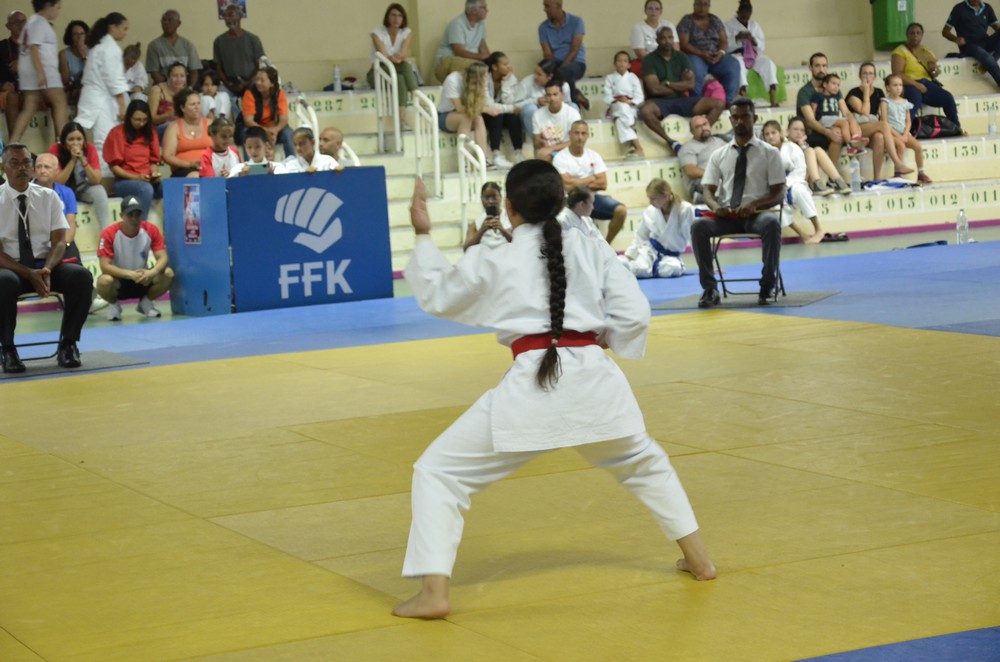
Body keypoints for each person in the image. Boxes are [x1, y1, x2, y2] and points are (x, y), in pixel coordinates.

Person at [394, 161, 716, 619]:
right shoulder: (590, 245)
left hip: (531, 388)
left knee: (438, 472)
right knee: (645, 464)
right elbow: (635, 313)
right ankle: (700, 561)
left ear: (509, 207)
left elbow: (438, 293)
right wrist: (608, 337)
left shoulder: (496, 255)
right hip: (596, 382)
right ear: (560, 202)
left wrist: (423, 234)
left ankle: (434, 593)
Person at [0, 144, 93, 372]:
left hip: (45, 267)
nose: (22, 168)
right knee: (3, 282)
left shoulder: (49, 196)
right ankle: (8, 350)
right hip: (12, 268)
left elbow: (59, 242)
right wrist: (28, 273)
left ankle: (68, 344)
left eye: (26, 163)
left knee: (81, 277)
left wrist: (47, 270)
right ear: (3, 168)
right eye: (15, 163)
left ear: (32, 168)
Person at [691, 97, 785, 308]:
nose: (740, 121)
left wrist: (755, 205)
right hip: (728, 216)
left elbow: (779, 194)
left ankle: (768, 285)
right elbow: (708, 191)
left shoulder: (770, 153)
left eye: (745, 116)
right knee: (698, 226)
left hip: (756, 215)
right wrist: (716, 207)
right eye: (735, 117)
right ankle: (710, 288)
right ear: (730, 120)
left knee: (771, 223)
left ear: (755, 118)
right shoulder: (719, 154)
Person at [639, 27, 724, 155]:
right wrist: (681, 84)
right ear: (657, 40)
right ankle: (671, 142)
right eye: (663, 38)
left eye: (670, 37)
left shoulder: (682, 57)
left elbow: (691, 85)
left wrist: (667, 83)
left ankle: (698, 137)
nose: (667, 41)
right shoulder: (649, 59)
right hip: (660, 102)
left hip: (682, 99)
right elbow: (654, 89)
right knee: (646, 111)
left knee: (719, 104)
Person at [96, 195, 173, 321]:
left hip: (143, 278)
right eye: (130, 215)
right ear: (121, 215)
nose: (134, 219)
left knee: (168, 273)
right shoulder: (109, 233)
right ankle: (114, 305)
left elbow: (162, 257)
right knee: (104, 281)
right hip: (119, 280)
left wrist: (152, 272)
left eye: (137, 215)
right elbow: (104, 266)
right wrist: (130, 274)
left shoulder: (151, 230)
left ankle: (146, 303)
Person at [553, 120, 628, 243]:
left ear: (588, 135)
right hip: (569, 200)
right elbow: (566, 186)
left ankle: (606, 245)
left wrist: (574, 181)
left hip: (591, 199)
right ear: (570, 134)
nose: (580, 137)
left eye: (583, 133)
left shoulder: (594, 156)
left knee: (621, 211)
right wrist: (591, 178)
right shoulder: (560, 158)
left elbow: (603, 184)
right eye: (577, 133)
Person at [75, 12, 131, 176]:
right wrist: (122, 107)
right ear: (113, 27)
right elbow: (114, 80)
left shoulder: (99, 46)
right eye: (124, 29)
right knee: (105, 142)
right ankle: (102, 178)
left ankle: (90, 175)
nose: (125, 33)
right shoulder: (110, 49)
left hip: (94, 99)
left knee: (99, 141)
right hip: (101, 102)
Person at [9, 0, 68, 144]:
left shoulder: (31, 22)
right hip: (43, 69)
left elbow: (24, 46)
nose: (59, 11)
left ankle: (13, 143)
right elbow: (34, 48)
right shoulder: (40, 23)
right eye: (57, 7)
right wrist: (41, 72)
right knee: (60, 102)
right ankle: (63, 144)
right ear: (48, 5)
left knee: (29, 107)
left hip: (28, 70)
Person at [761, 120, 824, 244]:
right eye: (767, 134)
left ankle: (818, 229)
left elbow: (800, 170)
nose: (771, 136)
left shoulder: (792, 148)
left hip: (794, 182)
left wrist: (785, 184)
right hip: (775, 187)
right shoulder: (763, 153)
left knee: (800, 191)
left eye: (773, 132)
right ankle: (802, 234)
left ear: (780, 133)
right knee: (773, 203)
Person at [620, 178, 694, 278]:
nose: (650, 202)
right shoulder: (650, 211)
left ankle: (648, 270)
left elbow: (693, 237)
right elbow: (640, 236)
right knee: (638, 267)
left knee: (673, 268)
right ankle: (627, 265)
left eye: (653, 198)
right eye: (649, 198)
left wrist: (705, 265)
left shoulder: (685, 210)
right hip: (649, 252)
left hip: (670, 256)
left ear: (665, 196)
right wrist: (628, 256)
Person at [845, 62, 907, 181]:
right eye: (865, 74)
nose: (868, 77)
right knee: (883, 125)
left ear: (874, 76)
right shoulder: (853, 93)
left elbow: (884, 114)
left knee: (879, 137)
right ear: (860, 76)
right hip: (858, 128)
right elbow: (865, 112)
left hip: (875, 128)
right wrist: (866, 91)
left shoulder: (879, 92)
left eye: (870, 74)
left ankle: (877, 178)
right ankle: (897, 162)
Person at [892, 23, 961, 129]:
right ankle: (905, 130)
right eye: (912, 33)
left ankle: (956, 128)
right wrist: (917, 85)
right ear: (907, 35)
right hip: (908, 84)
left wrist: (934, 69)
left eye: (918, 33)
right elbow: (897, 74)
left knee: (948, 98)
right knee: (915, 97)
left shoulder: (926, 50)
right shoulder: (900, 51)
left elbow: (935, 73)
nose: (915, 36)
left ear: (922, 35)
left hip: (926, 83)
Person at [103, 99, 162, 216]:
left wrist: (155, 174)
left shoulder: (150, 132)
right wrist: (136, 178)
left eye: (145, 120)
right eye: (137, 120)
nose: (141, 123)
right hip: (124, 181)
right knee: (146, 189)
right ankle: (140, 224)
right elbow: (114, 167)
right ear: (129, 118)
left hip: (147, 179)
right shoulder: (117, 133)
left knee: (169, 187)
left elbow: (153, 162)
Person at [48, 122, 111, 229]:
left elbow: (96, 180)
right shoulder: (55, 149)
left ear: (84, 140)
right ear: (64, 141)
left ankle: (105, 232)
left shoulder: (90, 148)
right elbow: (58, 182)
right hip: (63, 191)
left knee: (99, 190)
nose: (75, 143)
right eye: (71, 139)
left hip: (83, 188)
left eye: (79, 139)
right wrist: (72, 160)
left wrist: (83, 160)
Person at [677, 0, 740, 105]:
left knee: (733, 64)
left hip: (715, 56)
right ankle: (697, 103)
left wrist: (721, 53)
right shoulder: (687, 21)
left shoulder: (715, 20)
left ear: (709, 6)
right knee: (695, 69)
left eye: (705, 4)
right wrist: (701, 54)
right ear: (694, 5)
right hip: (695, 55)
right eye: (699, 4)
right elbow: (684, 44)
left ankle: (728, 102)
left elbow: (724, 41)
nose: (702, 7)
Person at [437, 61, 494, 165]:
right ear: (477, 77)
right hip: (445, 116)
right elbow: (459, 108)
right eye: (485, 76)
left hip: (468, 114)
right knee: (466, 117)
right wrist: (485, 109)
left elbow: (485, 103)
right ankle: (463, 159)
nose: (487, 78)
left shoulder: (481, 83)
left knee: (478, 118)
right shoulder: (453, 80)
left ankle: (483, 159)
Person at [369, 3, 419, 120]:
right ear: (387, 17)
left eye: (399, 16)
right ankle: (416, 95)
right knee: (405, 66)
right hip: (378, 71)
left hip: (395, 69)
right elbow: (384, 56)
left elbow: (404, 53)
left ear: (403, 18)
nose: (396, 19)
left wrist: (398, 56)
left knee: (400, 79)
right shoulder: (377, 32)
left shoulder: (406, 32)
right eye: (393, 15)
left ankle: (401, 119)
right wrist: (395, 57)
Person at [723, 2, 778, 107]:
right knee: (737, 65)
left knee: (768, 63)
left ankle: (773, 97)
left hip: (753, 55)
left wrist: (753, 41)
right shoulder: (728, 25)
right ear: (738, 12)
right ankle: (743, 96)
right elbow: (724, 46)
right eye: (742, 17)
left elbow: (762, 46)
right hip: (737, 54)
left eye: (747, 17)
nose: (745, 20)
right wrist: (737, 38)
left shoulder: (754, 25)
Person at [538, 0, 589, 109]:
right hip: (555, 63)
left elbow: (574, 50)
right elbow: (547, 54)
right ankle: (575, 94)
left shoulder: (576, 22)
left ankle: (574, 109)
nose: (544, 10)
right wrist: (551, 69)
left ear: (558, 6)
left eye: (547, 6)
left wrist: (559, 70)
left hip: (576, 63)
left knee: (565, 73)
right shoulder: (543, 27)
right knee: (541, 74)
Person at [884, 74, 932, 185]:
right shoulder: (885, 102)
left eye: (900, 85)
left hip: (904, 133)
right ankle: (898, 173)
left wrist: (905, 134)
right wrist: (898, 136)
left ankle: (921, 173)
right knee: (900, 145)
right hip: (892, 133)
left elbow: (908, 121)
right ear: (888, 88)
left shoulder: (905, 102)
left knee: (918, 146)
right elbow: (884, 122)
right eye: (895, 85)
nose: (898, 88)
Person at [804, 73, 864, 162]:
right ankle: (851, 146)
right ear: (825, 85)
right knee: (844, 123)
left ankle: (856, 139)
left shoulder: (836, 96)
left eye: (838, 85)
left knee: (852, 120)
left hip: (834, 119)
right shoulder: (818, 95)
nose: (836, 87)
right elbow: (813, 110)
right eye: (833, 84)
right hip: (824, 118)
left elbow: (846, 112)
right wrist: (814, 122)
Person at [797, 52, 845, 162]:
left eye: (824, 66)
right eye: (817, 66)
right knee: (837, 134)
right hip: (813, 132)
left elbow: (845, 111)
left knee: (878, 136)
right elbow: (810, 121)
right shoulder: (804, 92)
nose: (821, 69)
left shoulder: (834, 88)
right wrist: (828, 132)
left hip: (833, 125)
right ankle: (832, 172)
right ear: (810, 68)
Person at [33, 152, 80, 262]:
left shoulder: (67, 192)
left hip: (62, 240)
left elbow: (71, 222)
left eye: (47, 167)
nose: (42, 170)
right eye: (39, 167)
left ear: (56, 171)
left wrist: (65, 244)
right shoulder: (25, 191)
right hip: (36, 242)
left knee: (77, 269)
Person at [943, 0, 1000, 89]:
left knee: (989, 58)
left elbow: (998, 29)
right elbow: (945, 31)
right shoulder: (959, 8)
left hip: (985, 43)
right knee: (987, 58)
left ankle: (988, 63)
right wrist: (956, 39)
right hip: (969, 45)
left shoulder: (987, 8)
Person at [786, 116, 848, 196]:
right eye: (795, 129)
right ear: (788, 131)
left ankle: (838, 181)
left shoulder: (803, 144)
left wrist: (802, 145)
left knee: (818, 150)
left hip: (806, 178)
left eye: (802, 130)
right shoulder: (785, 145)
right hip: (794, 181)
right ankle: (816, 184)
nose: (799, 133)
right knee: (809, 151)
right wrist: (802, 147)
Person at [213, 2, 265, 98]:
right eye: (225, 16)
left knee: (259, 92)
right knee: (220, 95)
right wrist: (229, 85)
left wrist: (248, 83)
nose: (227, 19)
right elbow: (218, 68)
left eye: (231, 15)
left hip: (251, 82)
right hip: (229, 84)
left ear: (240, 16)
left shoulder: (253, 39)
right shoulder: (219, 41)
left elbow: (260, 66)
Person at [512, 58, 572, 140]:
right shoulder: (527, 82)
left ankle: (567, 140)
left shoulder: (564, 86)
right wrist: (536, 101)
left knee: (574, 106)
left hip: (556, 116)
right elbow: (515, 105)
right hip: (534, 117)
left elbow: (568, 105)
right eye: (535, 73)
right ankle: (540, 142)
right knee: (529, 108)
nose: (535, 77)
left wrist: (555, 104)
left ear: (549, 76)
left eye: (539, 74)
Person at [242, 66, 294, 160]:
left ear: (272, 83)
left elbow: (284, 119)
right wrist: (265, 131)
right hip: (255, 127)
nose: (258, 83)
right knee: (245, 134)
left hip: (273, 128)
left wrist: (276, 130)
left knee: (288, 133)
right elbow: (248, 120)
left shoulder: (280, 94)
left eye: (262, 80)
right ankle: (250, 164)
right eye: (257, 80)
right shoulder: (250, 93)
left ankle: (293, 163)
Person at [433, 0, 489, 82]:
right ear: (473, 11)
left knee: (497, 65)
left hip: (470, 60)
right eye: (483, 7)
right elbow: (459, 52)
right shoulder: (457, 24)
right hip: (447, 61)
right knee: (475, 69)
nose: (487, 10)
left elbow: (483, 48)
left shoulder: (481, 24)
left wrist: (491, 60)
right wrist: (481, 57)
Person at [603, 50, 645, 159]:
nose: (622, 63)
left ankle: (633, 146)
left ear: (629, 65)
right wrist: (618, 100)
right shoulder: (610, 78)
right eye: (619, 61)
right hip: (616, 105)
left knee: (620, 120)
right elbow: (607, 97)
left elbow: (639, 97)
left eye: (625, 61)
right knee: (621, 107)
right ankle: (638, 147)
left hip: (631, 107)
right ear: (614, 63)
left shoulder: (633, 77)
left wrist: (629, 102)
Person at [484, 51, 523, 167]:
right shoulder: (485, 78)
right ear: (494, 67)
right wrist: (510, 109)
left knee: (513, 117)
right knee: (497, 114)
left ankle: (518, 153)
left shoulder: (511, 78)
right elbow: (489, 104)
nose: (509, 67)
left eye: (508, 63)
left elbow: (510, 101)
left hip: (501, 114)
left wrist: (505, 83)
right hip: (485, 113)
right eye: (505, 64)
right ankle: (496, 154)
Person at [162, 87, 211, 177]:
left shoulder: (210, 124)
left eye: (199, 103)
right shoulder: (174, 128)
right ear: (182, 108)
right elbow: (167, 156)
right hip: (183, 170)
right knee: (195, 176)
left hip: (209, 167)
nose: (197, 107)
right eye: (193, 104)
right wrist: (189, 164)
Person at [145, 10, 201, 86]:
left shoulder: (188, 45)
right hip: (162, 87)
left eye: (170, 20)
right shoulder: (154, 45)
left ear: (178, 23)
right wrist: (169, 88)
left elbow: (194, 71)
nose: (166, 23)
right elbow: (154, 73)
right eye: (164, 20)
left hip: (184, 87)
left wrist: (190, 88)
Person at [680, 114, 726, 203]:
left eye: (705, 124)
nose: (703, 128)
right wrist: (715, 174)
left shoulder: (720, 142)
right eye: (698, 127)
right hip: (701, 183)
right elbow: (690, 171)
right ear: (692, 132)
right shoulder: (688, 148)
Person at [531, 80, 581, 162]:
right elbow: (536, 141)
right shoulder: (537, 114)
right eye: (549, 95)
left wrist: (551, 148)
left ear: (562, 95)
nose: (552, 98)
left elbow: (575, 141)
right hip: (548, 152)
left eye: (555, 94)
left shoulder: (573, 113)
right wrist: (540, 143)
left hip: (567, 150)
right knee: (542, 156)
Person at [0, 11, 26, 142]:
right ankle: (15, 144)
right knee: (12, 96)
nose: (21, 25)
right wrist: (2, 85)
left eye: (23, 22)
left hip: (32, 89)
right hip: (10, 90)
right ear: (8, 26)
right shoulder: (2, 47)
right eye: (16, 22)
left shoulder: (34, 47)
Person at [463, 180, 512, 249]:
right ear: (481, 199)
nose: (490, 201)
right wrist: (481, 230)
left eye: (494, 197)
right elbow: (466, 249)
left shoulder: (511, 218)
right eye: (486, 197)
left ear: (500, 197)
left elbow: (519, 244)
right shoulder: (476, 224)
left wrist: (503, 230)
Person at [148, 61, 187, 140]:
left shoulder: (187, 92)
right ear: (168, 77)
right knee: (171, 126)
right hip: (160, 130)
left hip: (181, 129)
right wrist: (168, 115)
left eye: (182, 76)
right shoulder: (157, 90)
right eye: (175, 76)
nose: (179, 79)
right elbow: (150, 119)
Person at [57, 19, 87, 106]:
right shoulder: (63, 54)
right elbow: (66, 80)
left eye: (82, 34)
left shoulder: (92, 51)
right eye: (75, 34)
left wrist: (83, 56)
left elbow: (93, 75)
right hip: (73, 90)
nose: (79, 37)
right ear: (70, 37)